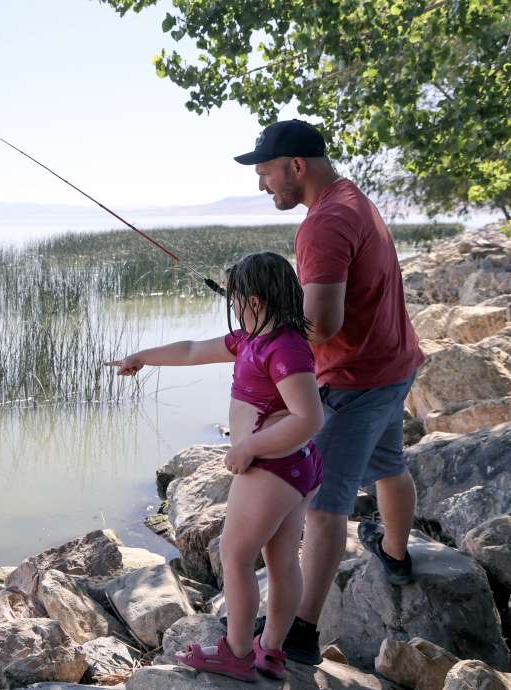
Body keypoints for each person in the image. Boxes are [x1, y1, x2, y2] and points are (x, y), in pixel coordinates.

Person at [232, 119, 425, 664]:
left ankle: (300, 631)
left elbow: (322, 326)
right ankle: (395, 554)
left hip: (355, 381)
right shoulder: (352, 199)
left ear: (297, 166)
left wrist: (265, 336)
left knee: (324, 506)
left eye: (266, 172)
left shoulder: (322, 224)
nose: (262, 184)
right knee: (389, 463)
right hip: (393, 364)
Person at [109, 252, 325, 682]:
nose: (233, 306)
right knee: (281, 560)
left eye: (236, 298)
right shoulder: (251, 340)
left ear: (257, 301)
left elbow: (309, 417)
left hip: (272, 467)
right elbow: (190, 350)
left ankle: (237, 652)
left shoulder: (283, 349)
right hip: (294, 469)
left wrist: (249, 447)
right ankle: (272, 651)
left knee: (234, 555)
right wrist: (141, 355)